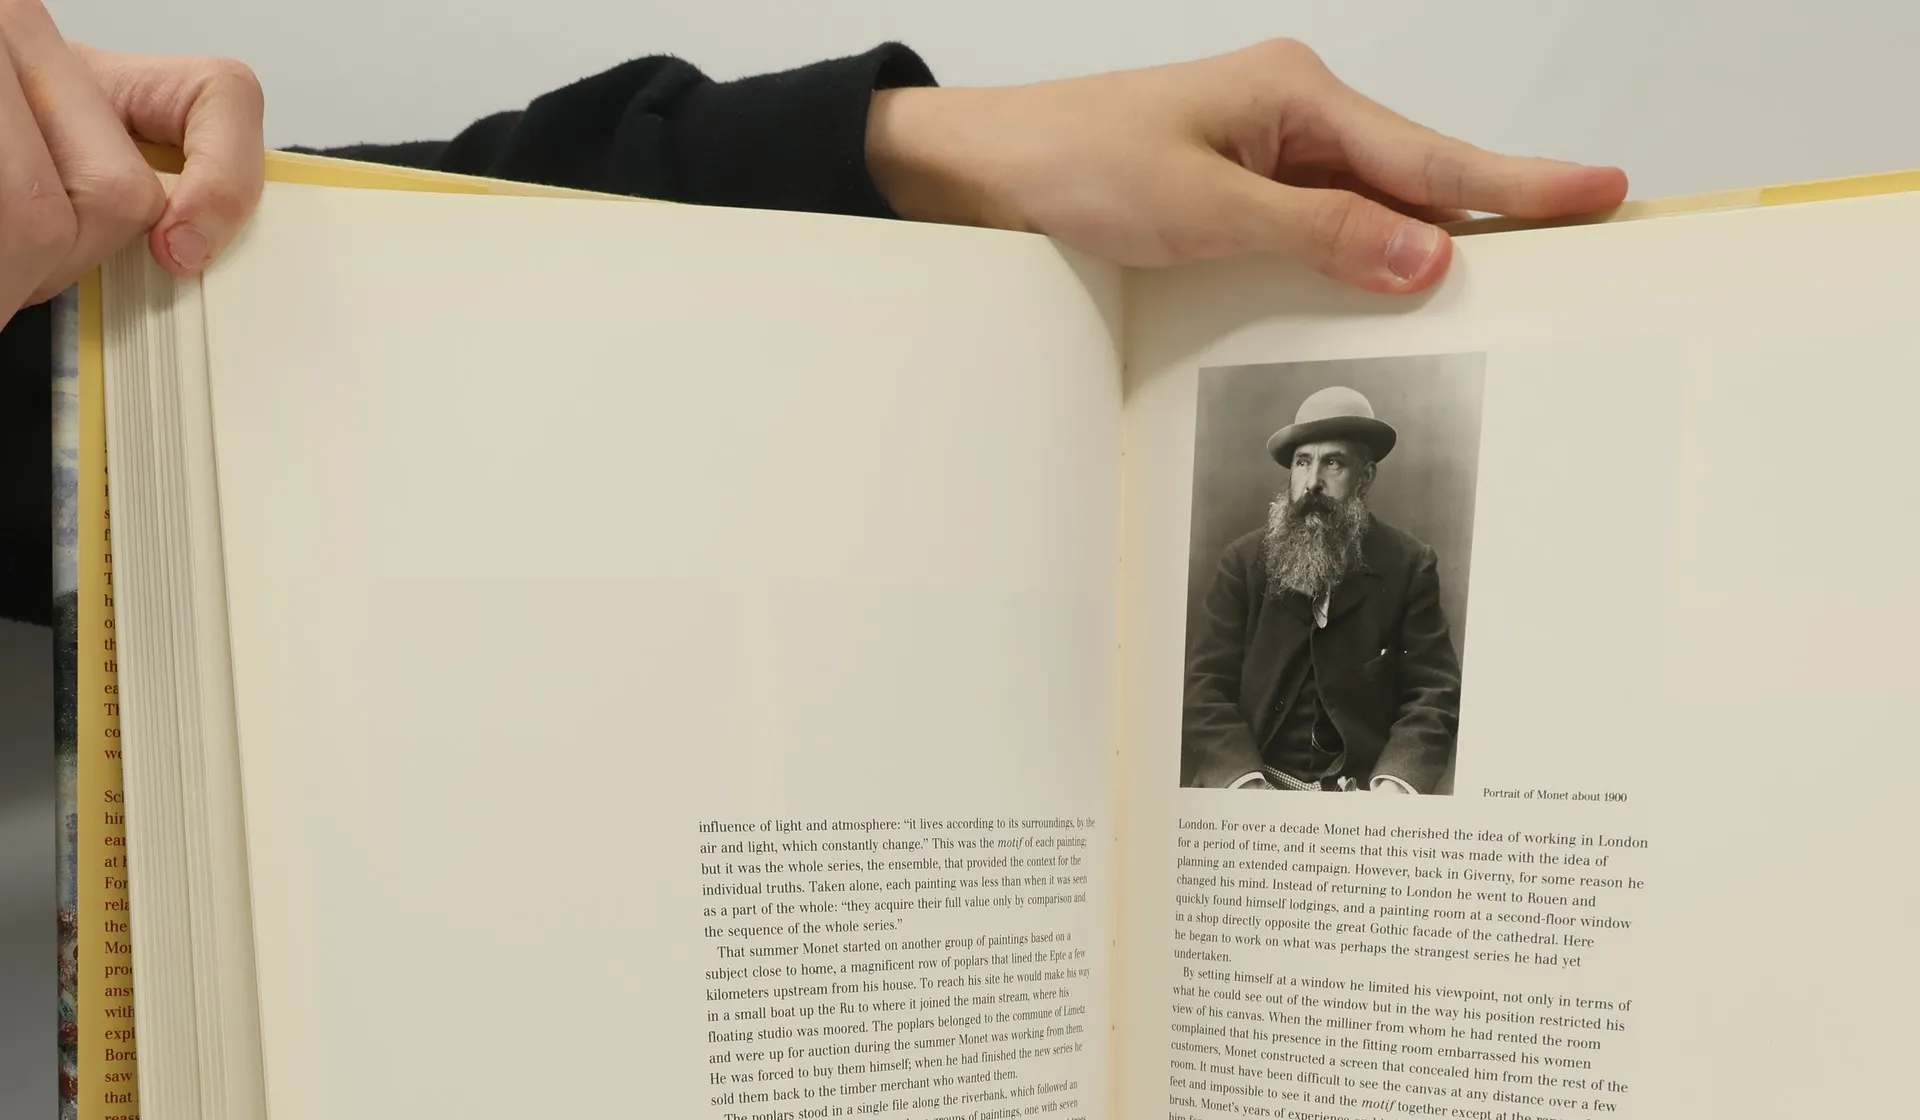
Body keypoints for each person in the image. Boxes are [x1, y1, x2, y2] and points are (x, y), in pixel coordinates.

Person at [0, 18, 1628, 626]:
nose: (1324, 479)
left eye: (1344, 459)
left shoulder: (1415, 578)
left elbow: (430, 294)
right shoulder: (1236, 572)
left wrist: (912, 147)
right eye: (1311, 459)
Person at [1182, 386, 1460, 792]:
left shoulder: (1409, 564)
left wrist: (1395, 784)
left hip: (1360, 796)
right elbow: (1205, 686)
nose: (1312, 482)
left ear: (1365, 477)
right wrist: (1243, 781)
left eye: (1333, 463)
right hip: (1253, 784)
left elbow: (1433, 693)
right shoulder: (1242, 563)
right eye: (1302, 462)